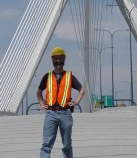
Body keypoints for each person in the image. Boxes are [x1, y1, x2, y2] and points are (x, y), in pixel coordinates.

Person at [37, 47, 85, 158]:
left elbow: (82, 90)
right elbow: (39, 91)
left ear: (64, 59)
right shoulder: (47, 76)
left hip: (65, 113)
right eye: (56, 58)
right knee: (46, 144)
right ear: (52, 60)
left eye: (60, 58)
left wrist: (76, 102)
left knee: (67, 144)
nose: (58, 60)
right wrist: (41, 103)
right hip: (50, 113)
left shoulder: (69, 76)